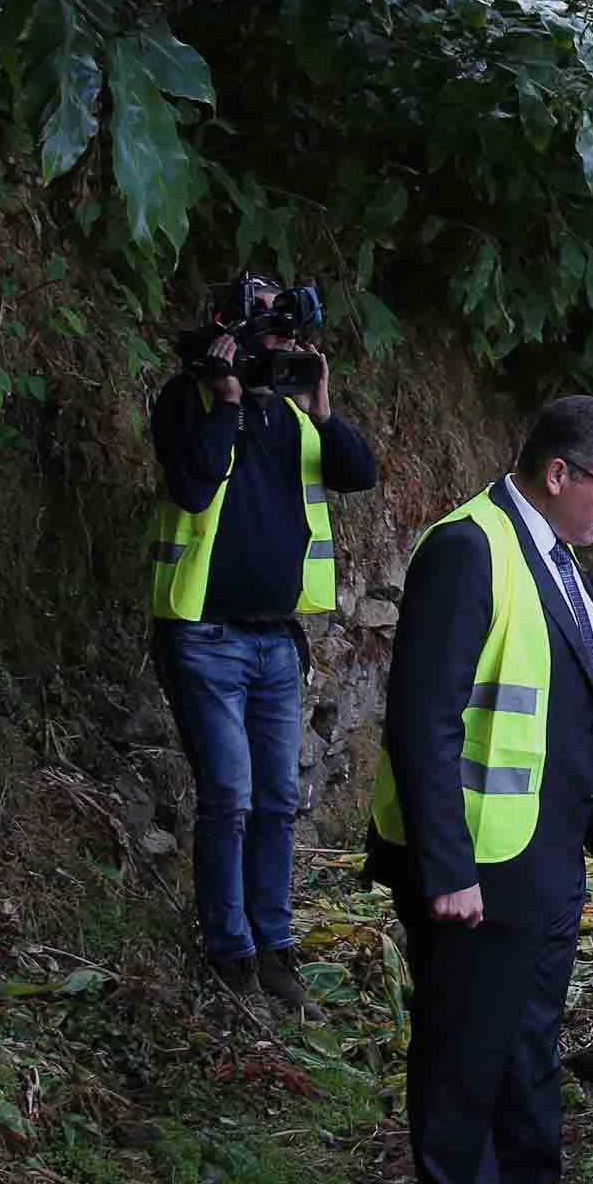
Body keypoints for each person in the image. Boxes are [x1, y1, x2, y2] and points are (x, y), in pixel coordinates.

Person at [367, 397, 593, 1184]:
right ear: (558, 474)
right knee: (463, 1052)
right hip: (479, 864)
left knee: (526, 1039)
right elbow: (423, 720)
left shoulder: (554, 553)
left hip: (544, 851)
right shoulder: (467, 548)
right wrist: (446, 868)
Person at [148, 274, 377, 1019]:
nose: (285, 353)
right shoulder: (187, 400)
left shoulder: (291, 414)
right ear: (232, 338)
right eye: (273, 339)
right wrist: (225, 402)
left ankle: (275, 953)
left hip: (276, 639)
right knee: (230, 797)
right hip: (203, 635)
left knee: (278, 800)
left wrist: (322, 406)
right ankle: (231, 958)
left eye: (294, 342)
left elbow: (358, 472)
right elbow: (192, 486)